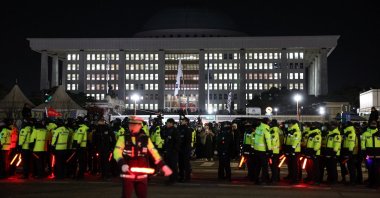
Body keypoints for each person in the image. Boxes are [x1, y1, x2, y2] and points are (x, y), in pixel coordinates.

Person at [113, 116, 172, 198]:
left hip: (142, 175)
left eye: (135, 125)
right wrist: (122, 163)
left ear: (140, 125)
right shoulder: (123, 138)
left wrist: (163, 165)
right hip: (128, 174)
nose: (132, 126)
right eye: (131, 124)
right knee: (126, 196)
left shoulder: (145, 139)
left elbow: (154, 152)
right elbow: (116, 152)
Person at [162, 118, 181, 184]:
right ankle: (171, 178)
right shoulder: (167, 130)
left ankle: (173, 179)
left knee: (173, 165)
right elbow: (164, 138)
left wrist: (175, 149)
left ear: (171, 123)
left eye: (167, 123)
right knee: (169, 165)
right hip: (168, 150)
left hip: (172, 151)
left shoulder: (175, 131)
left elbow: (177, 141)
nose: (166, 124)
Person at [178, 117, 193, 182]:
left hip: (185, 149)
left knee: (185, 163)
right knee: (180, 163)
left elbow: (188, 140)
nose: (182, 121)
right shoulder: (180, 128)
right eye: (182, 120)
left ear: (186, 122)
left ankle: (186, 177)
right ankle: (181, 176)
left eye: (183, 121)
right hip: (180, 148)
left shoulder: (188, 129)